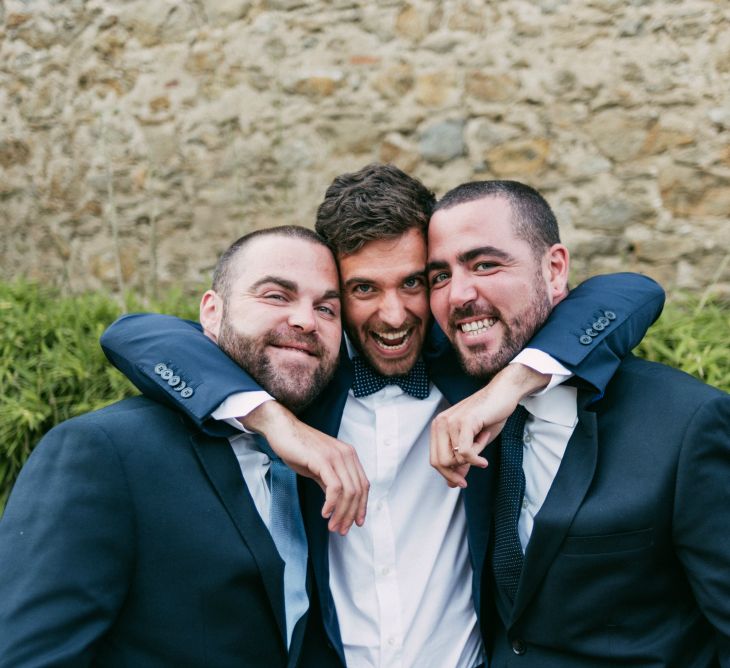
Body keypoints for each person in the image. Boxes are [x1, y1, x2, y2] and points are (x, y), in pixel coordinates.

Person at [99, 164, 665, 667]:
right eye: (363, 289)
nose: (393, 315)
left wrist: (507, 390)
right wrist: (277, 422)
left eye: (413, 283)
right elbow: (139, 334)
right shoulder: (302, 378)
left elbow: (627, 292)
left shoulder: (477, 364)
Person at [0, 226, 365, 668]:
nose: (306, 320)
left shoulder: (331, 444)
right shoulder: (103, 452)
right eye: (275, 296)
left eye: (327, 308)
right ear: (211, 312)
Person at [427, 180, 730, 667]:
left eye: (485, 264)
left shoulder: (687, 423)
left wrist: (511, 385)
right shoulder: (452, 374)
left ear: (554, 269)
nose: (459, 294)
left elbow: (635, 289)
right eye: (439, 276)